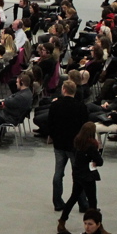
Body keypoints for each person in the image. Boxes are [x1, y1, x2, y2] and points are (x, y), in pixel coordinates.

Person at [49, 81, 89, 213]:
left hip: (59, 144)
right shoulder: (81, 107)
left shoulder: (55, 105)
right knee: (78, 174)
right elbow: (85, 127)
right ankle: (83, 203)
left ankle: (57, 202)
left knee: (58, 173)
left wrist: (54, 137)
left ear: (64, 90)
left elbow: (50, 124)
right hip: (74, 146)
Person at [57, 122, 103, 233]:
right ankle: (97, 227)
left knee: (73, 198)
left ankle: (62, 221)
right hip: (88, 176)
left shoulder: (77, 142)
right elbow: (100, 161)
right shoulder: (91, 146)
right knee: (92, 202)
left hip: (77, 174)